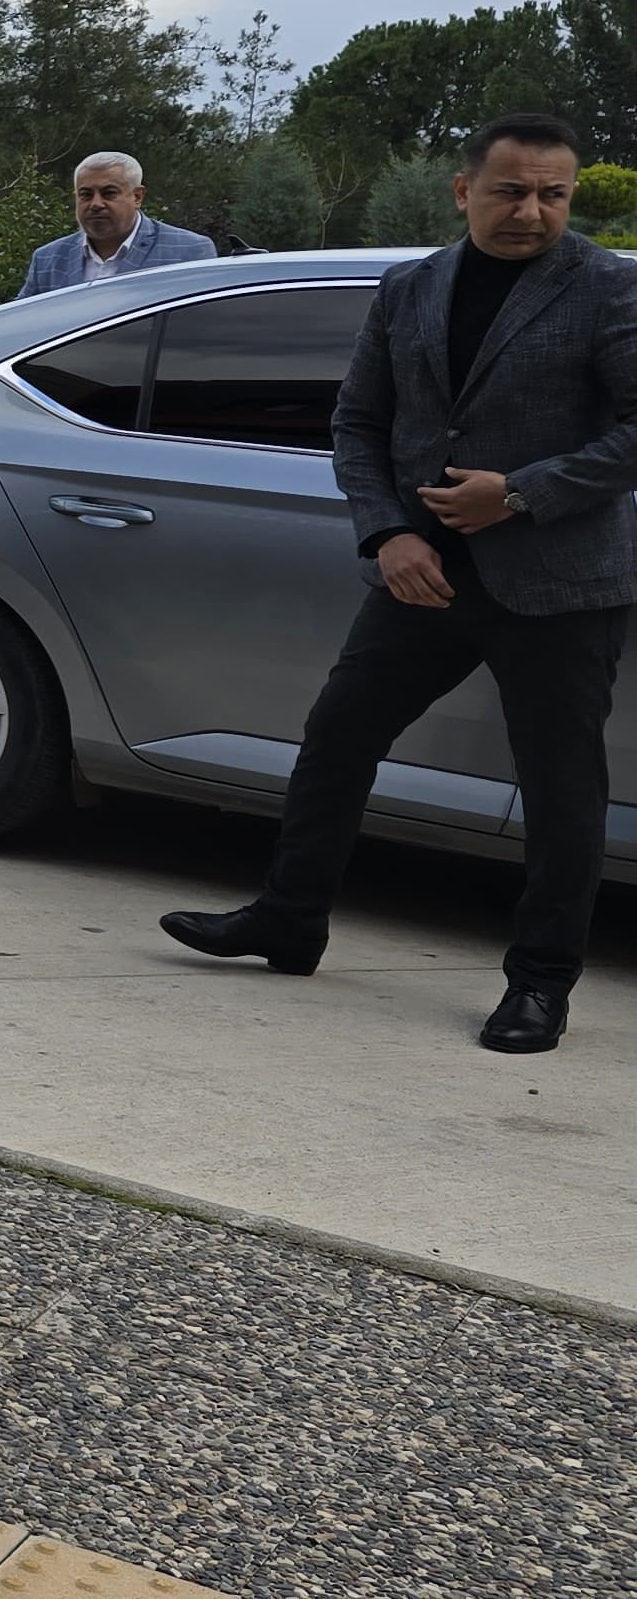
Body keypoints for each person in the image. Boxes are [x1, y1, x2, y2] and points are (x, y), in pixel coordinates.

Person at [164, 114, 637, 1056]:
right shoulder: (411, 286)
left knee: (559, 787)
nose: (533, 211)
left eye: (553, 193)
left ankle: (541, 983)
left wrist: (522, 495)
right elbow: (358, 422)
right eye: (511, 191)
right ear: (465, 191)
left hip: (560, 582)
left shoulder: (608, 288)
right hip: (422, 571)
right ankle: (290, 920)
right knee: (338, 736)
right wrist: (385, 532)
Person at [16, 150, 215, 296]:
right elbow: (20, 326)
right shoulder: (48, 259)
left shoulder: (189, 252)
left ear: (137, 197)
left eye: (108, 193)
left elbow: (202, 328)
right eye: (85, 195)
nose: (95, 204)